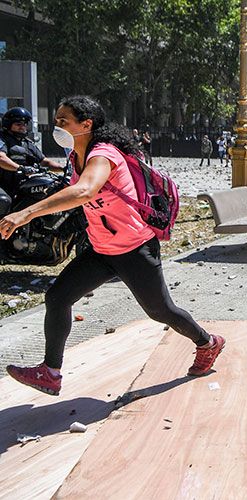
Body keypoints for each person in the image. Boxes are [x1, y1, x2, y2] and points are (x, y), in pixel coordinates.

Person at [0, 95, 224, 396]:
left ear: (86, 124)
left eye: (63, 121)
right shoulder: (76, 156)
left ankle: (208, 342)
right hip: (101, 249)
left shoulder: (104, 154)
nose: (57, 126)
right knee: (57, 297)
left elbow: (85, 190)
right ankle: (51, 372)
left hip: (134, 249)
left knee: (161, 311)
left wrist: (26, 212)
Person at [0, 107, 63, 215]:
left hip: (21, 185)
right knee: (4, 201)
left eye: (24, 124)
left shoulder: (27, 143)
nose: (23, 127)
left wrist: (63, 168)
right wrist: (20, 168)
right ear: (8, 124)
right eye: (18, 124)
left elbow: (44, 161)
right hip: (3, 184)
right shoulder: (3, 139)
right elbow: (1, 158)